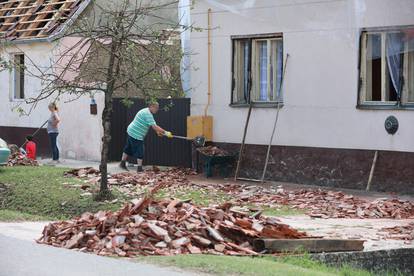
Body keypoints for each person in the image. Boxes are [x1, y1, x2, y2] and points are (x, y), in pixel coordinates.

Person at [120, 102, 172, 172]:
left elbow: (152, 125)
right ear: (151, 106)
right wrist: (166, 132)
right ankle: (139, 168)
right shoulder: (147, 114)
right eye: (156, 108)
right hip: (136, 134)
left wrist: (158, 132)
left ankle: (122, 163)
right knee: (140, 151)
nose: (157, 109)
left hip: (131, 130)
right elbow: (154, 126)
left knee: (128, 148)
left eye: (158, 108)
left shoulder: (146, 111)